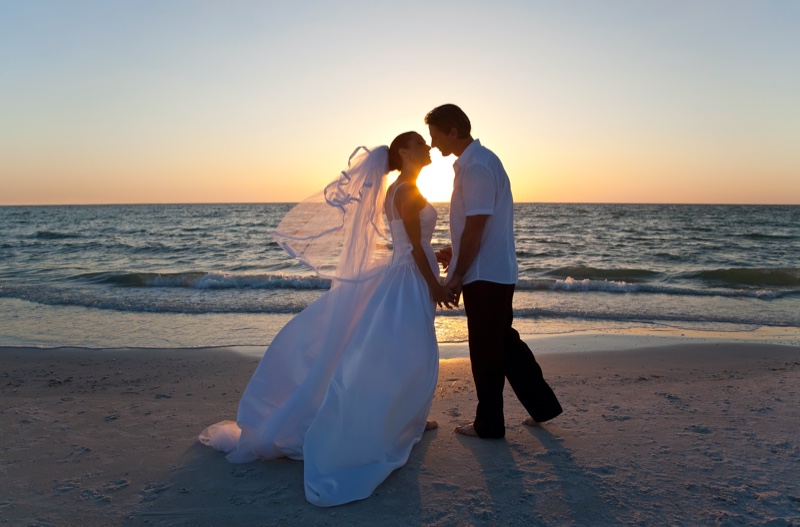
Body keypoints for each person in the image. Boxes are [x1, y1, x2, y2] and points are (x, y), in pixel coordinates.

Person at [198, 131, 455, 507]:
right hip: (409, 280)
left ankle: (409, 421)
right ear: (404, 151)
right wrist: (436, 284)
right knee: (409, 353)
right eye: (420, 143)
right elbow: (414, 246)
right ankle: (397, 423)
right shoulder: (406, 190)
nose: (428, 148)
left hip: (404, 274)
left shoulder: (400, 188)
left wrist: (438, 253)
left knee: (404, 352)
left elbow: (412, 241)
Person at [425, 104, 563, 439]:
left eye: (436, 135)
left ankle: (489, 424)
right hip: (494, 269)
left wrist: (456, 276)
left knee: (486, 350)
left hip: (485, 275)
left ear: (454, 131)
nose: (433, 144)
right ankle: (543, 406)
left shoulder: (477, 167)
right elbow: (478, 228)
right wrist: (456, 251)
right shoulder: (479, 163)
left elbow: (476, 226)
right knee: (504, 342)